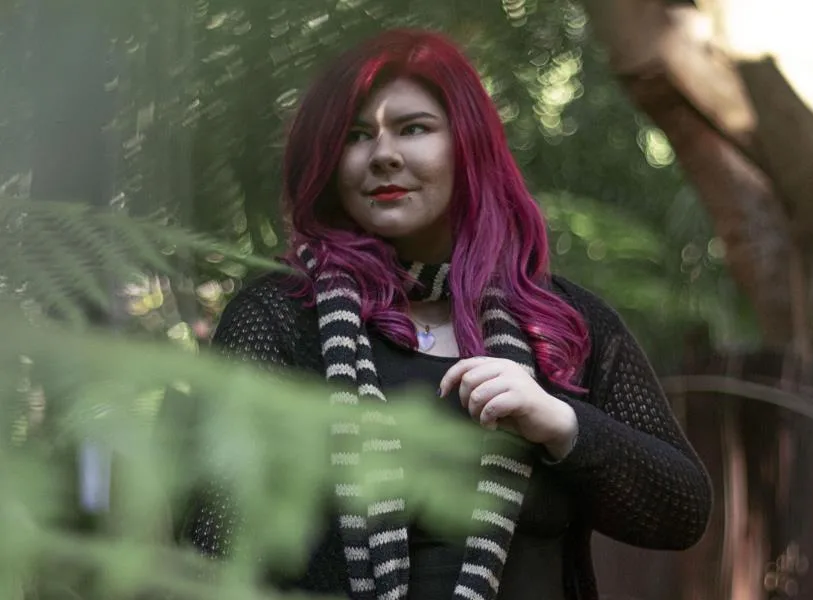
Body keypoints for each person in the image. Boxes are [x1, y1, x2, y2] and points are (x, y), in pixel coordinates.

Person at [186, 28, 712, 600]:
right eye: (356, 136)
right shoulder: (280, 321)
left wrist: (560, 424)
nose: (383, 154)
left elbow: (681, 512)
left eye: (413, 128)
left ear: (467, 147)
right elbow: (215, 553)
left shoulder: (561, 324)